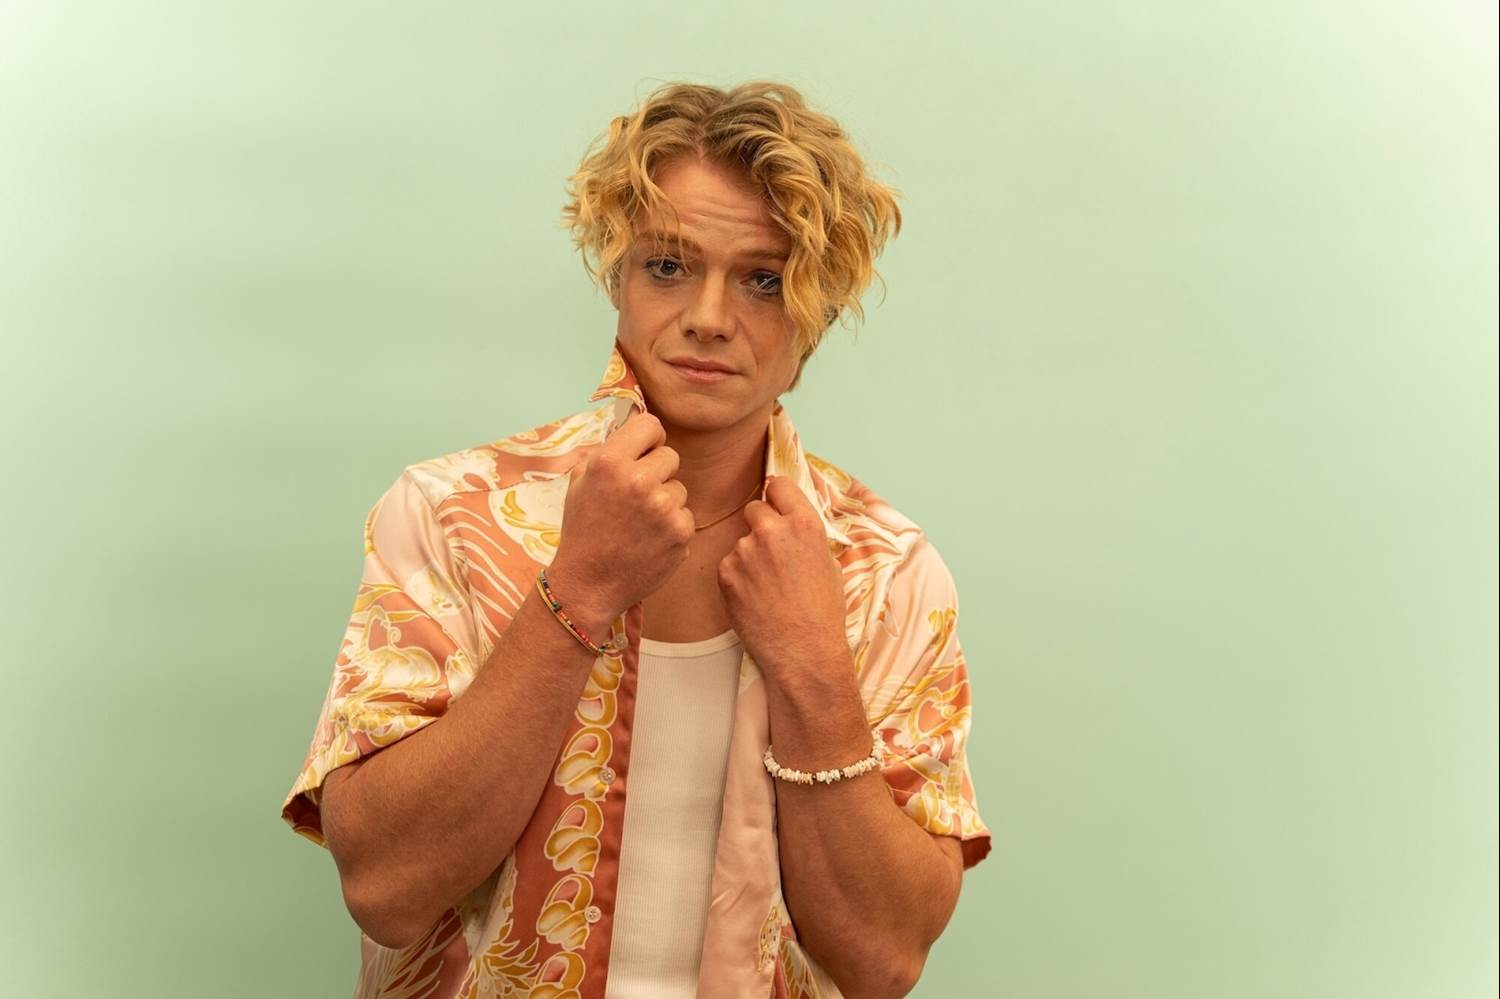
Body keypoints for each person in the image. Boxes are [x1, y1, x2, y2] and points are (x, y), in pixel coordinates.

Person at [280, 79, 992, 998]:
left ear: (814, 313)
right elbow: (383, 888)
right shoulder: (450, 513)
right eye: (667, 265)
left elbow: (884, 960)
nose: (708, 315)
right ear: (617, 276)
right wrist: (577, 591)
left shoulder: (886, 571)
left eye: (764, 279)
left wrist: (814, 667)